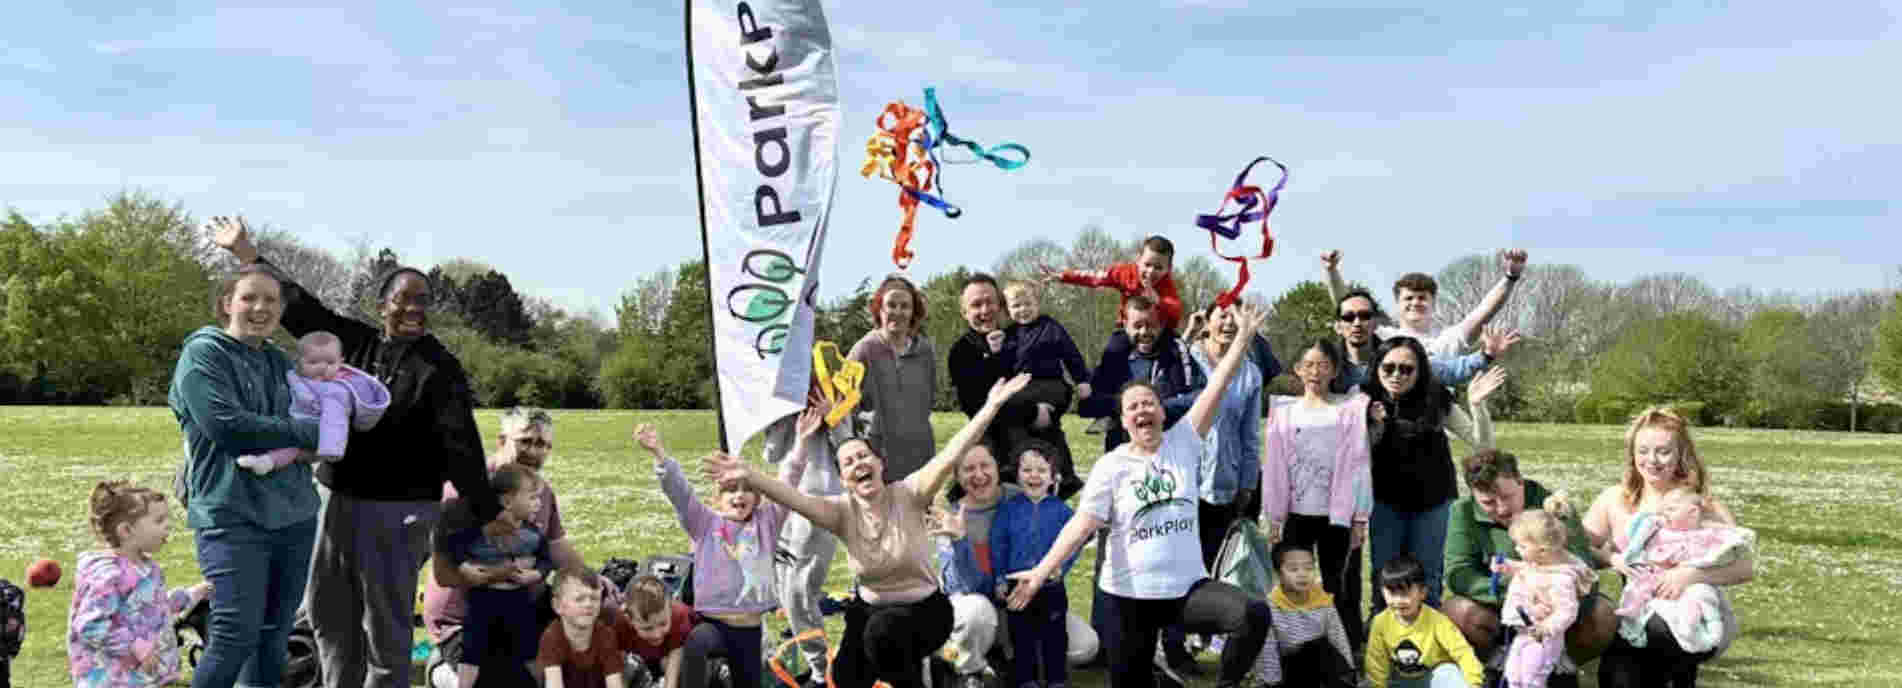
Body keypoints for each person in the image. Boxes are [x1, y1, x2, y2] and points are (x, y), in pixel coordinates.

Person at [211, 215, 501, 688]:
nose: (413, 308)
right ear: (382, 303)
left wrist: (486, 511)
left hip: (400, 511)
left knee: (384, 627)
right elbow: (301, 308)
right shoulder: (358, 342)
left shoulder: (439, 368)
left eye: (422, 301)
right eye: (403, 299)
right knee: (327, 613)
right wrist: (246, 254)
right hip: (338, 502)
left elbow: (461, 445)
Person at [1003, 304, 1274, 688]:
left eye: (1149, 403)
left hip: (1185, 591)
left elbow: (1217, 386)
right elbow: (1081, 525)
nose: (1142, 410)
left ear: (1163, 413)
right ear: (1124, 420)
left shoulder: (1185, 442)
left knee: (1253, 614)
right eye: (1132, 407)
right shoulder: (1112, 466)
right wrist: (1040, 573)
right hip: (1128, 599)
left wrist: (1242, 340)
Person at [704, 373, 1034, 688]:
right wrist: (748, 474)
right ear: (844, 479)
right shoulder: (840, 512)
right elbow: (791, 496)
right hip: (869, 610)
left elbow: (951, 455)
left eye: (863, 456)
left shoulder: (911, 492)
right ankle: (920, 672)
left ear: (879, 465)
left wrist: (991, 407)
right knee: (847, 677)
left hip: (925, 612)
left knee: (882, 635)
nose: (858, 463)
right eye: (848, 463)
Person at [168, 261, 324, 688]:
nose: (261, 307)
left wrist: (304, 434)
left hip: (295, 515)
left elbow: (326, 428)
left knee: (275, 637)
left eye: (270, 300)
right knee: (235, 634)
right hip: (231, 513)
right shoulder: (203, 355)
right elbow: (228, 427)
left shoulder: (279, 361)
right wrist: (299, 433)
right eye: (249, 297)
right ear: (226, 303)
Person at [1579, 407, 1754, 688]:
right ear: (1632, 453)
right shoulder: (1615, 500)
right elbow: (1580, 546)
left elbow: (1746, 566)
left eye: (1663, 451)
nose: (1652, 460)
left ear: (1681, 454)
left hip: (1692, 613)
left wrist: (1693, 575)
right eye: (1643, 450)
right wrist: (1612, 558)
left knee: (1658, 643)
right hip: (1637, 612)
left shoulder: (1701, 505)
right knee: (1618, 677)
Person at [427, 407, 594, 688]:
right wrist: (496, 574)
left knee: (595, 622)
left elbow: (557, 546)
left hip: (521, 609)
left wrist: (592, 579)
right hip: (465, 617)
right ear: (501, 441)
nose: (534, 451)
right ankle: (443, 670)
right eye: (525, 441)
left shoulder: (541, 492)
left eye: (542, 444)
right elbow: (444, 569)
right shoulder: (466, 490)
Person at [1441, 449, 1616, 686]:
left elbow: (1584, 571)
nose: (1501, 508)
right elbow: (1458, 573)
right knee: (1458, 612)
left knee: (1602, 615)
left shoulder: (1555, 506)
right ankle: (1498, 664)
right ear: (1473, 495)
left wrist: (1553, 604)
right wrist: (1518, 590)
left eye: (1507, 496)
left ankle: (1560, 668)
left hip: (1555, 610)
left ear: (1520, 481)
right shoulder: (1462, 511)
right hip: (1498, 609)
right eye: (1488, 502)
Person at [642, 420, 794, 688]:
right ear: (717, 498)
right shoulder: (705, 522)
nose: (739, 494)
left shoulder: (767, 522)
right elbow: (680, 494)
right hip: (713, 624)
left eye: (747, 488)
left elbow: (788, 486)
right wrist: (659, 454)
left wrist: (802, 441)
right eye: (730, 489)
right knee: (696, 644)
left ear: (758, 496)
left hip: (749, 629)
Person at [1361, 336, 1500, 617]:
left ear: (1420, 370)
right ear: (1377, 368)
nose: (1396, 375)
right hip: (1384, 501)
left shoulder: (1436, 397)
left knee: (1428, 575)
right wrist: (1372, 426)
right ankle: (1383, 634)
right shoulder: (1363, 399)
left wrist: (1478, 406)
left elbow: (1482, 446)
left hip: (1434, 502)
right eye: (1388, 368)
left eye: (1406, 369)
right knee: (1385, 573)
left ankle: (1430, 636)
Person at [1260, 338, 1374, 657]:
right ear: (1297, 369)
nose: (1315, 372)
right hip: (1295, 514)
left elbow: (1359, 464)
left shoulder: (1349, 409)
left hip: (1336, 515)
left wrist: (1359, 518)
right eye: (1308, 364)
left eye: (1323, 364)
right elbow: (1273, 467)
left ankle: (1346, 653)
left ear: (1334, 370)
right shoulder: (1283, 411)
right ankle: (1292, 650)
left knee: (1341, 586)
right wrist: (1274, 518)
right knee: (1293, 584)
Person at [67, 481, 215, 687]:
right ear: (126, 531)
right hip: (114, 680)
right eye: (159, 520)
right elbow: (91, 625)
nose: (167, 526)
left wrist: (192, 595)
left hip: (140, 678)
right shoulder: (108, 575)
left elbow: (150, 607)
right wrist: (137, 647)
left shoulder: (145, 567)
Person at [947, 274, 1072, 498]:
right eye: (976, 305)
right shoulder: (961, 352)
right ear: (965, 313)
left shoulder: (1021, 338)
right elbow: (975, 405)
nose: (985, 310)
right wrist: (1033, 412)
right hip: (993, 454)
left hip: (1042, 452)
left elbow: (1055, 384)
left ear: (1001, 306)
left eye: (990, 302)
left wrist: (1056, 405)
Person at [443, 464, 557, 688]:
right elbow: (454, 548)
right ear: (507, 502)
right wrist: (466, 567)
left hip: (518, 602)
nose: (539, 503)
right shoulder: (478, 531)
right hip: (482, 602)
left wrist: (534, 575)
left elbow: (546, 560)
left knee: (528, 650)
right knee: (472, 651)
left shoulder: (533, 534)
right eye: (532, 497)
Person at [763, 390, 845, 688]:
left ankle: (822, 671)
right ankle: (814, 666)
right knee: (784, 589)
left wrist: (833, 417)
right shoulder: (783, 398)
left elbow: (853, 448)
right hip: (786, 496)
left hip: (820, 500)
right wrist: (784, 415)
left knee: (799, 592)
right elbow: (771, 454)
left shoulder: (838, 389)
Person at [1321, 249, 1528, 359]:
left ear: (1433, 302)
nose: (1415, 303)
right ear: (1397, 303)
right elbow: (1348, 307)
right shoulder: (1383, 337)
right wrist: (1331, 272)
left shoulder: (1448, 339)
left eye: (1422, 298)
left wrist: (1510, 277)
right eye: (1408, 298)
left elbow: (1484, 311)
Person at [235, 330, 390, 475]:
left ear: (341, 362)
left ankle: (266, 463)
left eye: (330, 362)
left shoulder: (336, 391)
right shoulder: (296, 374)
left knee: (292, 449)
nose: (322, 367)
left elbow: (334, 421)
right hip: (289, 420)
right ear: (300, 361)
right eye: (314, 362)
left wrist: (331, 449)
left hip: (312, 432)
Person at [989, 447, 1081, 688]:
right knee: (1022, 636)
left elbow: (1076, 543)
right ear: (1017, 475)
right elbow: (998, 545)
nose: (1034, 476)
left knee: (1055, 635)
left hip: (1051, 586)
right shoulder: (1008, 509)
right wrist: (1000, 578)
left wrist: (1063, 568)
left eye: (1042, 470)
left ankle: (1057, 679)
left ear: (1054, 477)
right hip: (1016, 585)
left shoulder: (1062, 511)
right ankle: (1026, 679)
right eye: (1027, 470)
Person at [933, 444, 1022, 688]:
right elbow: (966, 586)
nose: (979, 475)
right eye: (969, 469)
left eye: (985, 465)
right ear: (958, 476)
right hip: (973, 603)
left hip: (1015, 604)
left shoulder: (1018, 497)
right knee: (977, 612)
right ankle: (962, 666)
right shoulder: (949, 518)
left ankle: (994, 652)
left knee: (1084, 646)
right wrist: (960, 540)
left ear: (997, 467)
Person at [1186, 301, 1266, 565]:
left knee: (1215, 566)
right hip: (1182, 480)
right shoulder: (1186, 359)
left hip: (1223, 483)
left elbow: (1251, 436)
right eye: (1222, 316)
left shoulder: (1250, 374)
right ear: (1207, 322)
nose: (1229, 323)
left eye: (1236, 317)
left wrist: (1248, 484)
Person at [995, 280, 1090, 495]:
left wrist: (1082, 380)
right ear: (1008, 310)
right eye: (1016, 306)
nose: (1023, 310)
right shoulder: (1009, 334)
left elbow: (1071, 353)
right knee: (1038, 430)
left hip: (1052, 386)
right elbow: (1002, 367)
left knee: (1047, 425)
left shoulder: (1050, 327)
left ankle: (1065, 474)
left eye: (1028, 304)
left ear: (1037, 304)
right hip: (1022, 390)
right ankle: (1053, 473)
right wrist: (996, 350)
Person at [848, 274, 939, 484]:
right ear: (880, 309)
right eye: (891, 305)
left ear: (913, 312)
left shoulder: (925, 350)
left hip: (920, 457)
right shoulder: (864, 349)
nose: (897, 312)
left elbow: (929, 398)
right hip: (878, 460)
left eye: (905, 306)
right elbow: (844, 406)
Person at [1329, 289, 1504, 396]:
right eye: (1348, 317)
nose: (1357, 323)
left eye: (1365, 316)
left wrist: (1486, 355)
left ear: (1375, 323)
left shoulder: (1396, 355)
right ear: (1338, 326)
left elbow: (1448, 371)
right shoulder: (1328, 365)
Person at [1492, 511, 1595, 688]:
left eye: (1521, 546)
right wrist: (1507, 566)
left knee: (1532, 678)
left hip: (1544, 639)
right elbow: (1525, 569)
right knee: (1513, 673)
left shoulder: (1561, 579)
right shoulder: (1539, 564)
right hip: (1524, 633)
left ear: (1542, 550)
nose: (1516, 549)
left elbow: (1567, 611)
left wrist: (1546, 628)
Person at [1364, 554, 1485, 688]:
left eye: (1405, 594)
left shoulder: (1437, 621)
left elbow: (1463, 652)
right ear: (1383, 592)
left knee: (1449, 672)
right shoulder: (1380, 623)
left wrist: (1474, 683)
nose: (1398, 601)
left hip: (1431, 677)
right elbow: (1376, 663)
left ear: (1422, 593)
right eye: (1392, 593)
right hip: (1398, 680)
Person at [1253, 543, 1356, 688]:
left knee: (1321, 647)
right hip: (1288, 671)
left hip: (1321, 666)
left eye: (1308, 568)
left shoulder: (1323, 601)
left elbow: (1338, 639)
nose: (1302, 574)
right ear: (1278, 574)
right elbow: (1268, 650)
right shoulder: (1270, 606)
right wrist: (1271, 682)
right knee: (1310, 649)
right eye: (1293, 569)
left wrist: (1349, 672)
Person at [1041, 235, 1184, 331]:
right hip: (1128, 328)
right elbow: (1094, 277)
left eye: (1158, 268)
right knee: (1111, 356)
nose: (1151, 271)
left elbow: (1176, 311)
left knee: (1173, 355)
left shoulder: (1167, 285)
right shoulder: (1124, 273)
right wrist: (1063, 276)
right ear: (1138, 260)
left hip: (1156, 331)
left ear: (1168, 269)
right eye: (1147, 264)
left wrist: (1159, 301)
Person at [536, 570, 626, 688]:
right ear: (558, 606)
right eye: (579, 599)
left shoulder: (606, 635)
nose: (588, 604)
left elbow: (614, 683)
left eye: (594, 598)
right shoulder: (552, 637)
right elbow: (554, 684)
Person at [612, 575, 691, 688]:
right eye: (647, 628)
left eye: (663, 624)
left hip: (676, 654)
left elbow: (674, 665)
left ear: (670, 609)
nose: (657, 634)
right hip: (648, 656)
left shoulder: (678, 616)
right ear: (630, 619)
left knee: (666, 664)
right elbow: (616, 667)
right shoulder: (620, 624)